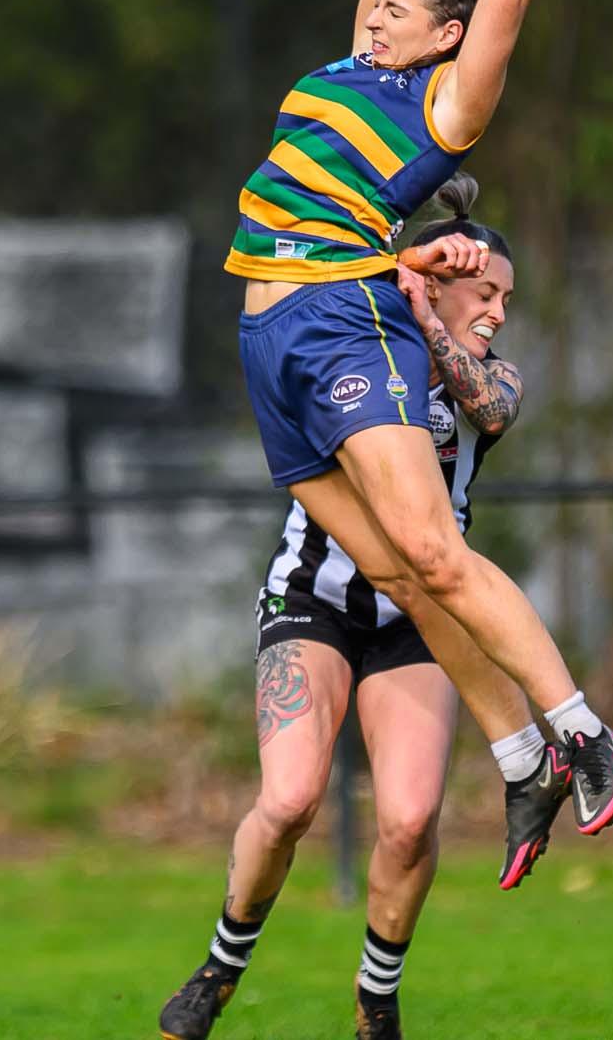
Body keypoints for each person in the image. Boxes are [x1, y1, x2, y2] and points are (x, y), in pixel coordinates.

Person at [228, 0, 613, 865]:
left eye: (397, 11)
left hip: (342, 319)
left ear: (446, 34)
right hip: (267, 339)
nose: (375, 12)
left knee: (430, 553)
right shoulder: (351, 64)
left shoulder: (444, 103)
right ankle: (522, 760)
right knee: (396, 571)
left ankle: (582, 730)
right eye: (375, 2)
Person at [159, 177, 574, 1040]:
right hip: (313, 599)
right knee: (289, 802)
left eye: (506, 299)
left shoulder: (487, 378)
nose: (497, 312)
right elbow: (311, 274)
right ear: (434, 279)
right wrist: (401, 271)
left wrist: (428, 316)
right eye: (483, 292)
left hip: (418, 623)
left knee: (410, 820)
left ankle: (375, 1000)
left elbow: (492, 405)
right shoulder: (344, 341)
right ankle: (220, 967)